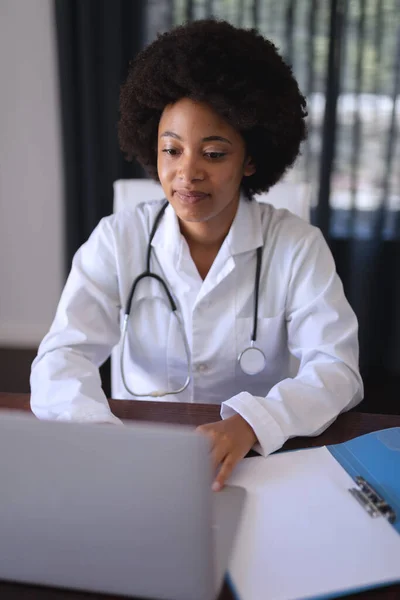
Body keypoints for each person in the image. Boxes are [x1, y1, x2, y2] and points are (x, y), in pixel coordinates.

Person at [31, 19, 363, 491]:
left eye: (213, 153)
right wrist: (101, 440)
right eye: (172, 149)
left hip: (255, 461)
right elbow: (61, 357)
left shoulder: (296, 246)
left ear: (250, 160)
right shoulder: (117, 239)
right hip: (137, 457)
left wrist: (251, 422)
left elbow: (337, 370)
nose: (187, 174)